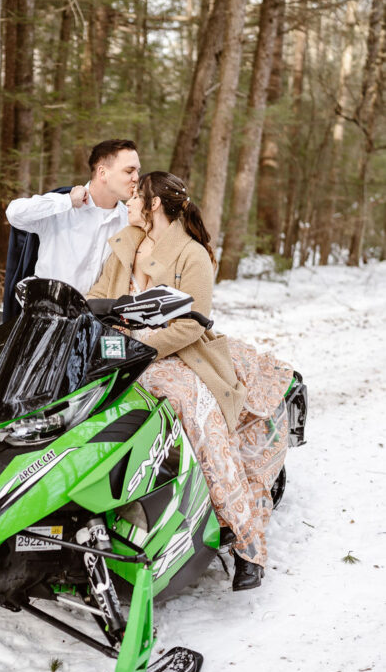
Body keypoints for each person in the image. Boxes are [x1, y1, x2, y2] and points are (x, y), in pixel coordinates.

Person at [87, 170, 293, 591]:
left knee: (202, 421)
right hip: (114, 354)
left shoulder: (192, 254)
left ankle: (245, 544)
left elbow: (190, 326)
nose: (128, 202)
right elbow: (94, 296)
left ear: (154, 204)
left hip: (174, 356)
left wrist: (140, 345)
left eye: (135, 196)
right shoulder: (126, 243)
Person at [5, 139, 140, 297]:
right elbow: (14, 213)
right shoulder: (62, 208)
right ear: (102, 173)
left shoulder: (129, 221)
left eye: (138, 171)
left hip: (97, 316)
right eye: (129, 171)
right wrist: (67, 201)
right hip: (47, 314)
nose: (136, 178)